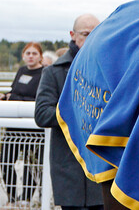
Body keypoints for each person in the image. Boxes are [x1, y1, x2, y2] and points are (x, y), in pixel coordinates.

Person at [35, 14, 104, 210]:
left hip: (102, 168)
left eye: (96, 33)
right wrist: (82, 111)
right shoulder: (53, 72)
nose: (91, 39)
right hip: (68, 169)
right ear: (73, 35)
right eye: (85, 34)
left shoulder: (108, 69)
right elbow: (42, 114)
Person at [1, 42, 45, 204]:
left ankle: (27, 196)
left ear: (40, 56)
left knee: (30, 163)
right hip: (14, 127)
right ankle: (12, 196)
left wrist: (13, 98)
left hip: (33, 128)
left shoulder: (44, 73)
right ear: (23, 56)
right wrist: (6, 95)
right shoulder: (21, 71)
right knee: (5, 159)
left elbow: (38, 98)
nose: (31, 56)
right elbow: (14, 91)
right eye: (28, 53)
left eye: (34, 53)